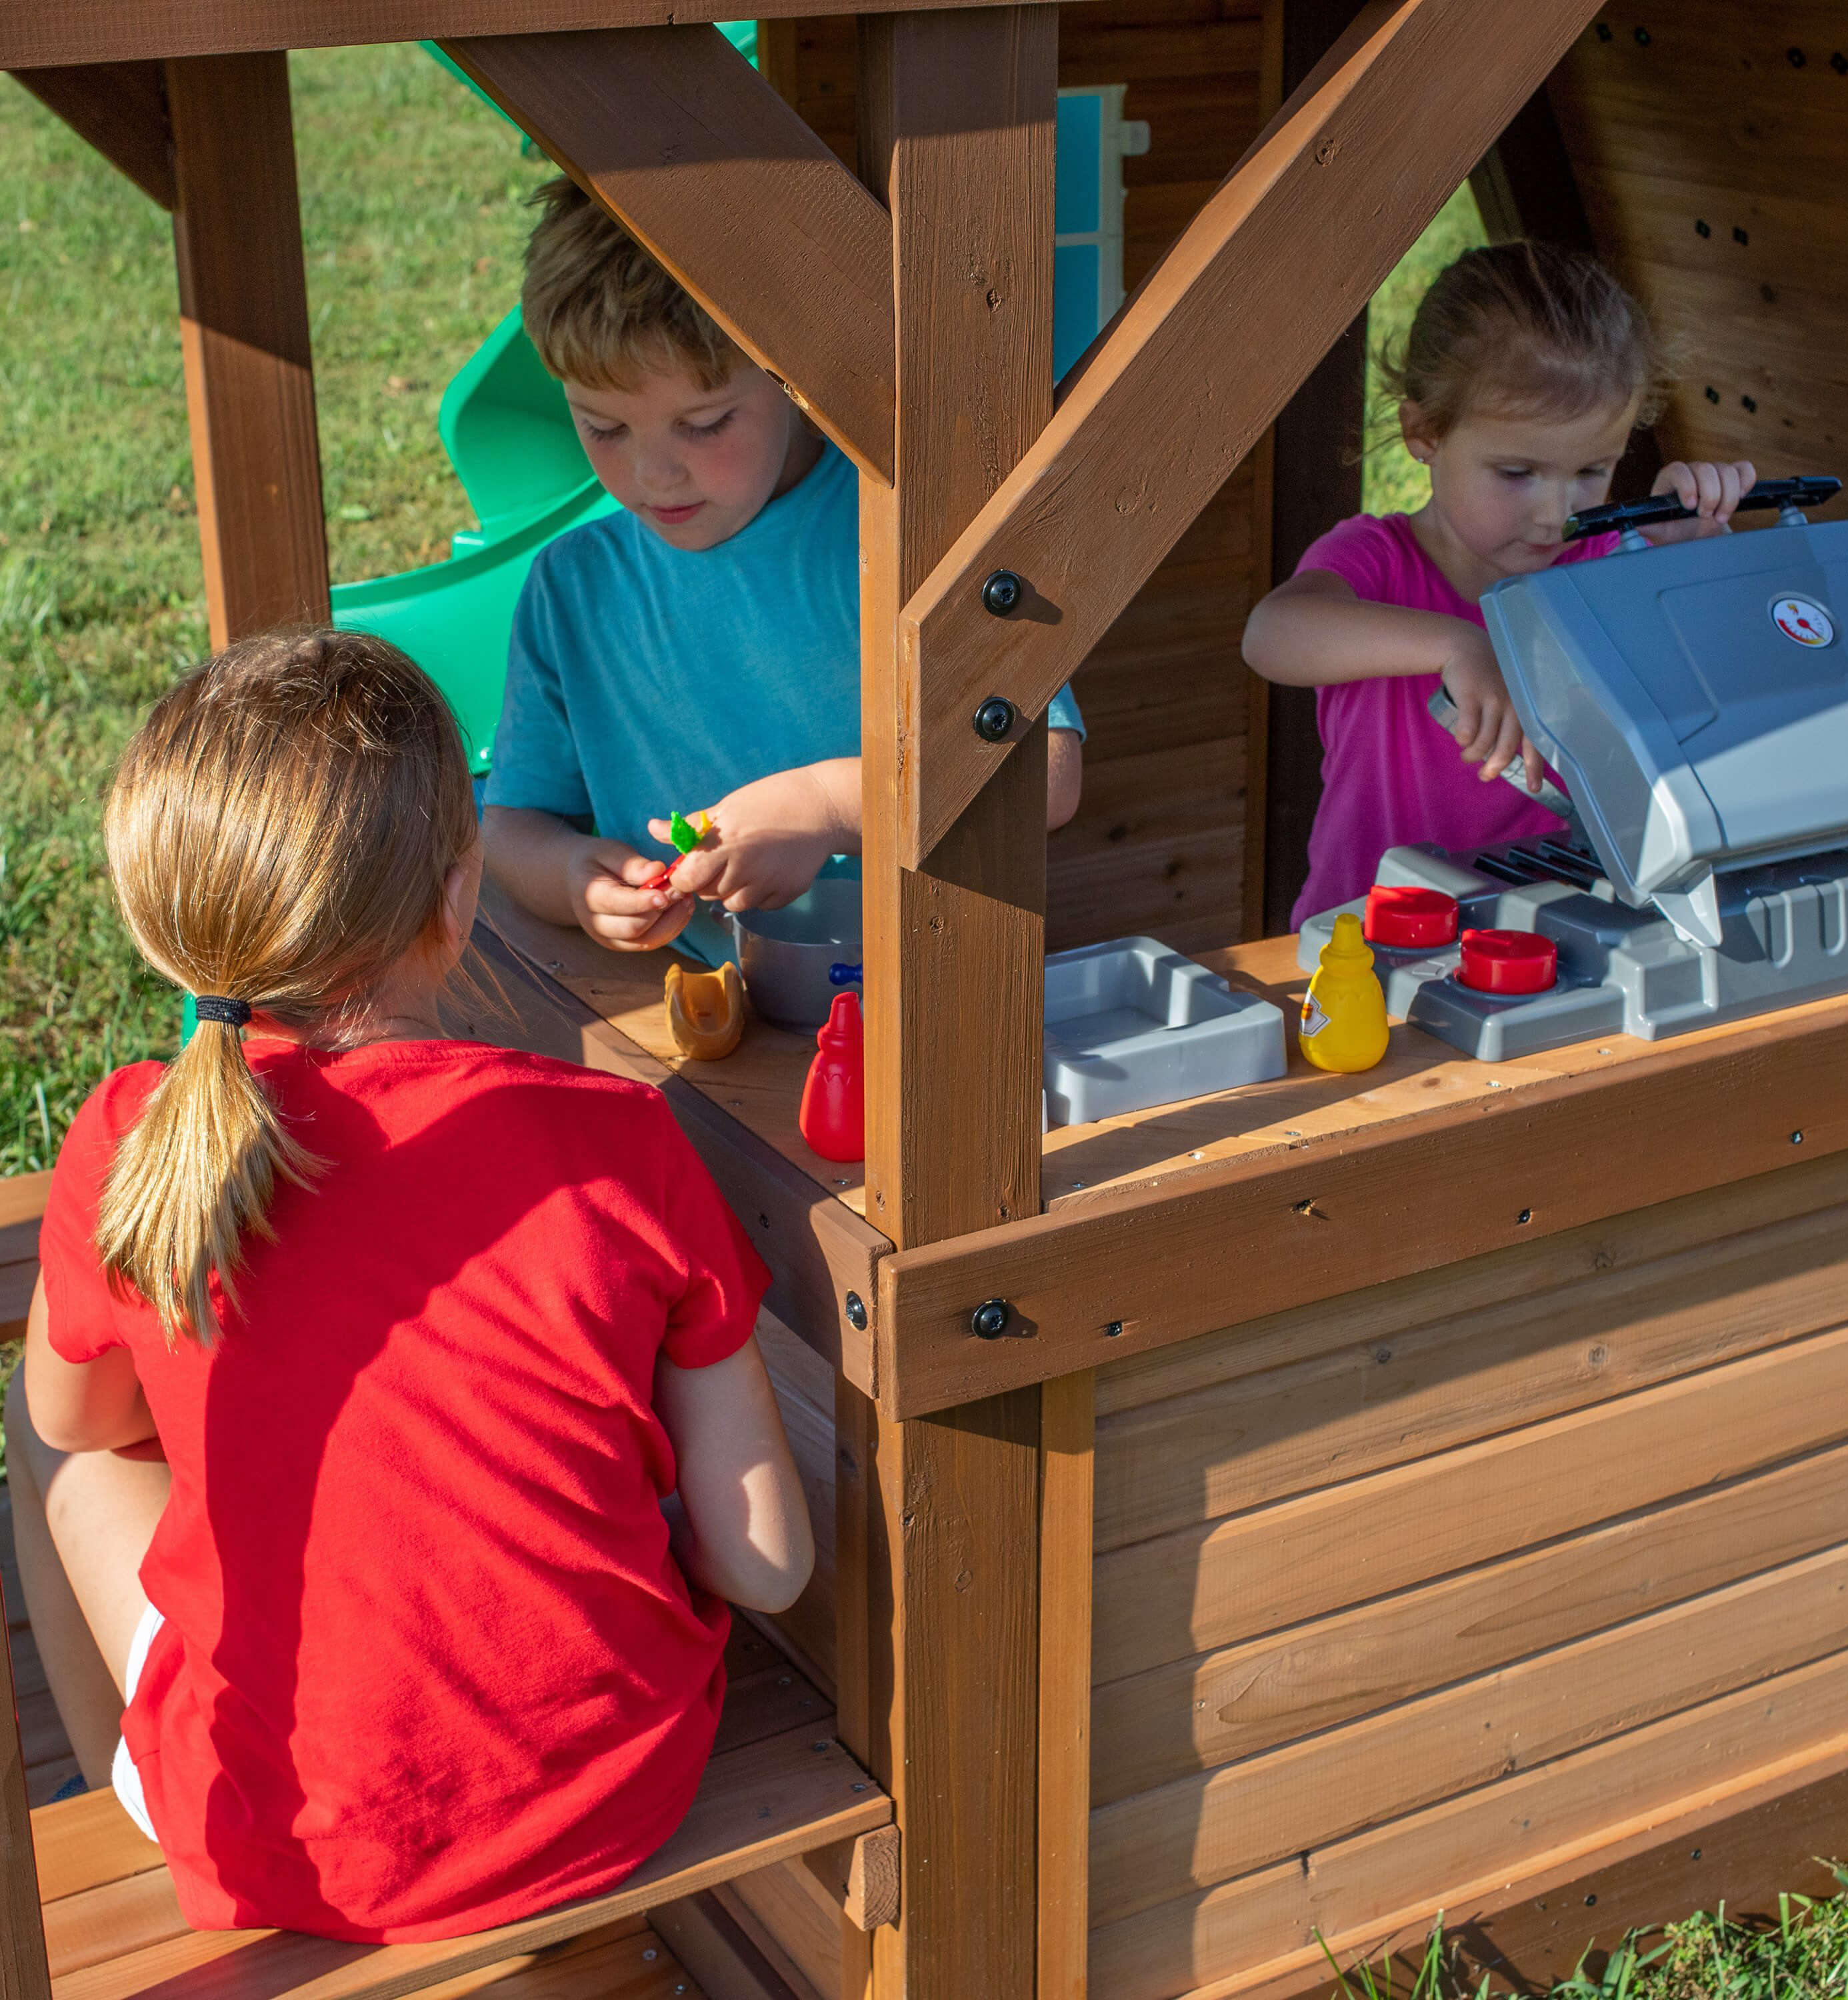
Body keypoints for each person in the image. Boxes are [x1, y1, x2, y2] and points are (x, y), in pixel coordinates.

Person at [2, 629, 813, 1941]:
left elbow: (77, 1426)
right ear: (456, 899)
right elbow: (767, 1566)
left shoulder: (125, 1140)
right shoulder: (613, 1139)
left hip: (286, 1855)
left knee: (53, 1446)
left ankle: (143, 1792)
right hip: (614, 1795)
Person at [482, 179, 1087, 961]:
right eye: (603, 428)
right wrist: (571, 879)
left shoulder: (902, 535)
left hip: (929, 1009)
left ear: (795, 378)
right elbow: (512, 825)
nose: (654, 474)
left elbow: (1049, 776)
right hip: (702, 1020)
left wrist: (827, 805)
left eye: (704, 425)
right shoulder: (574, 588)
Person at [1242, 240, 1757, 925]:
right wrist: (1460, 644)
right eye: (1518, 474)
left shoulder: (1608, 564)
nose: (1556, 514)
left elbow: (1723, 697)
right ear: (1423, 432)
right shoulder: (1379, 561)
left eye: (1591, 472)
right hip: (1367, 942)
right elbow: (1271, 635)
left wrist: (1688, 556)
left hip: (1556, 934)